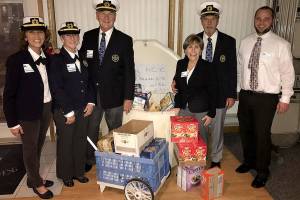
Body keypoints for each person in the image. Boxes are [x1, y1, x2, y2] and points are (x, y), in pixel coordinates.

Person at [173, 1, 237, 168]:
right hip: (196, 98)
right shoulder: (196, 40)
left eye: (213, 18)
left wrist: (231, 94)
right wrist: (176, 81)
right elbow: (183, 72)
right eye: (205, 19)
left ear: (218, 20)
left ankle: (215, 160)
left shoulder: (228, 41)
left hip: (220, 93)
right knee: (199, 131)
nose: (209, 22)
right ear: (201, 21)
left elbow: (232, 69)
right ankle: (199, 156)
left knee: (216, 130)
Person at [236, 6, 295, 188]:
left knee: (262, 135)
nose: (261, 22)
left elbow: (287, 73)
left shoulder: (281, 45)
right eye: (258, 18)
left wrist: (285, 98)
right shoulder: (245, 42)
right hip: (246, 95)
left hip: (266, 98)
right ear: (254, 20)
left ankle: (263, 171)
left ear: (273, 21)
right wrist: (238, 89)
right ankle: (249, 161)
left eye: (266, 19)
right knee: (245, 130)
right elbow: (240, 69)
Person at [80, 0, 135, 172]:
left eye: (110, 14)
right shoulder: (88, 36)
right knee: (91, 129)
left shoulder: (125, 40)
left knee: (115, 130)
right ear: (97, 16)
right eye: (102, 13)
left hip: (116, 96)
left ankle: (116, 159)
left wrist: (128, 97)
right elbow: (81, 60)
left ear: (115, 16)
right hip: (92, 96)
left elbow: (129, 71)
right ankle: (89, 158)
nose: (106, 17)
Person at [3, 17, 54, 199]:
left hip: (46, 107)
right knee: (30, 149)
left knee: (39, 145)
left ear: (44, 35)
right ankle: (37, 183)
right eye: (32, 32)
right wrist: (13, 122)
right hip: (27, 113)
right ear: (25, 36)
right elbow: (9, 94)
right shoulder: (16, 60)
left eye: (40, 32)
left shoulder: (47, 57)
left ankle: (33, 178)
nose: (36, 36)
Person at [49, 22, 94, 187]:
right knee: (66, 143)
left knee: (80, 140)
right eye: (68, 35)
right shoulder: (56, 60)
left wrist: (91, 102)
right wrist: (68, 112)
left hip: (82, 108)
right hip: (64, 110)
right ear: (62, 38)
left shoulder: (82, 57)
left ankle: (79, 172)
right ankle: (66, 174)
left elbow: (89, 82)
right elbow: (57, 88)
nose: (73, 38)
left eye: (75, 35)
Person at [172, 34, 217, 143]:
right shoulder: (180, 64)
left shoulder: (207, 67)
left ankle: (201, 160)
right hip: (183, 109)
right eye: (190, 47)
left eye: (196, 47)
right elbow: (178, 86)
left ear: (201, 51)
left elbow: (214, 91)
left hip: (201, 111)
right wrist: (177, 106)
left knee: (201, 140)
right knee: (184, 140)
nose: (193, 50)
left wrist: (211, 113)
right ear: (185, 50)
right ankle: (186, 161)